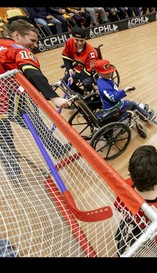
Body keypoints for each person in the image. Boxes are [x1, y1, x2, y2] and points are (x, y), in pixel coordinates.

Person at [0, 19, 70, 180]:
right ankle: (57, 149)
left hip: (6, 100)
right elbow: (32, 72)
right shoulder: (16, 49)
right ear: (17, 35)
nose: (35, 45)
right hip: (11, 101)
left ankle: (13, 172)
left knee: (4, 140)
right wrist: (53, 97)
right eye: (32, 40)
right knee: (36, 124)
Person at [95, 59, 157, 138]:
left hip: (110, 105)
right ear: (99, 73)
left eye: (109, 72)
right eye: (106, 73)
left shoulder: (102, 80)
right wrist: (124, 91)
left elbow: (113, 93)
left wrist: (124, 91)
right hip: (113, 108)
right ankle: (147, 116)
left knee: (129, 103)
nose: (109, 74)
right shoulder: (103, 84)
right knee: (132, 104)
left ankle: (141, 110)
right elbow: (113, 98)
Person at [61, 27, 98, 95]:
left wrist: (75, 78)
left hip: (88, 72)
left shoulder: (91, 52)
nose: (79, 43)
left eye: (82, 40)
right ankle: (81, 93)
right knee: (65, 81)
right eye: (77, 40)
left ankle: (94, 93)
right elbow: (66, 56)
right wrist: (69, 68)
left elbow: (89, 70)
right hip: (77, 68)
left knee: (85, 83)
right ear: (72, 37)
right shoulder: (69, 42)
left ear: (85, 39)